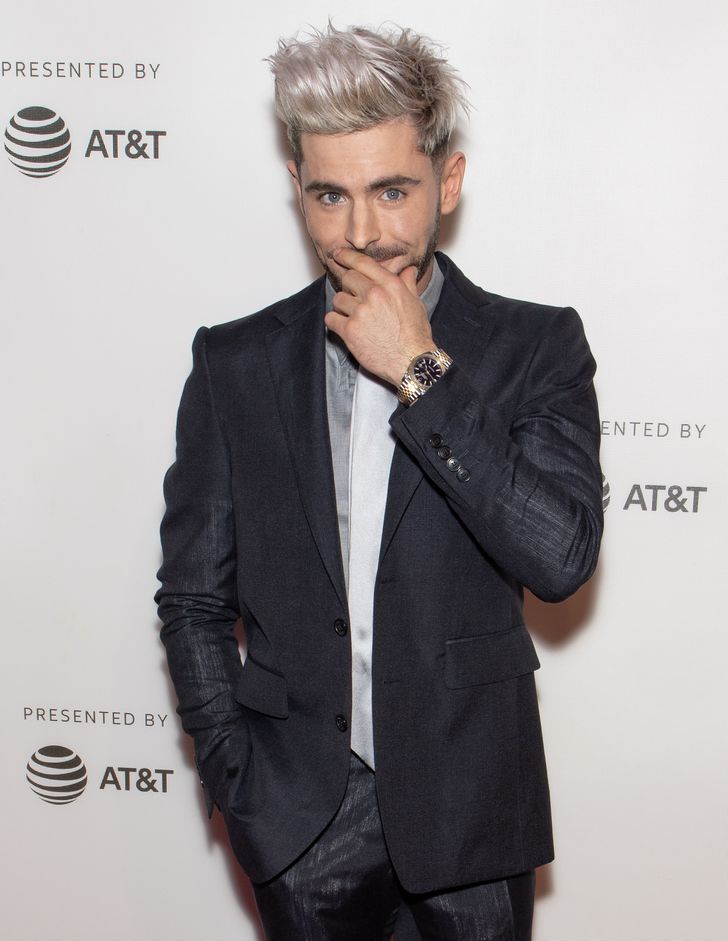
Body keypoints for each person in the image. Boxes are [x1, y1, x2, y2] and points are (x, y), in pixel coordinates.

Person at [155, 23, 603, 941]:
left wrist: (421, 371)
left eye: (392, 191)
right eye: (331, 195)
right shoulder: (235, 362)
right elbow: (193, 599)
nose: (362, 233)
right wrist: (239, 779)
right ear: (298, 188)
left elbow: (561, 556)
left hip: (474, 810)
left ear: (448, 181)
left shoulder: (536, 346)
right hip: (299, 818)